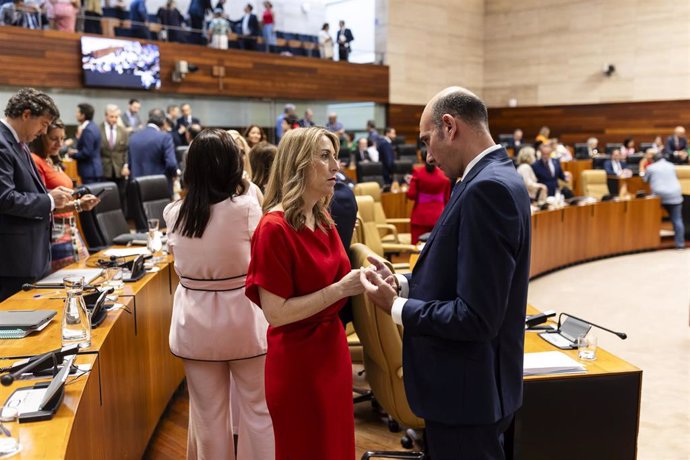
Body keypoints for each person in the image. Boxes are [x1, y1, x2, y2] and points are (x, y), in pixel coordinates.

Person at [360, 87, 531, 459]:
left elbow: (476, 317)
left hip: (466, 394)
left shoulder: (486, 189)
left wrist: (396, 307)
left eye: (427, 140)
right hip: (470, 390)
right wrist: (404, 284)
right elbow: (458, 270)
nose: (428, 155)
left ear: (449, 127)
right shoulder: (488, 177)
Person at [245, 127, 361, 460]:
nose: (335, 166)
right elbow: (276, 312)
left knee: (336, 448)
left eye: (335, 157)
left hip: (332, 353)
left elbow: (342, 278)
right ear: (298, 164)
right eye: (325, 157)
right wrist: (340, 289)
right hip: (298, 364)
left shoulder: (323, 217)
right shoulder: (273, 228)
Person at [164, 129, 274, 459]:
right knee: (259, 411)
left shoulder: (174, 213)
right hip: (245, 322)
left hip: (194, 325)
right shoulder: (247, 209)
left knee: (208, 416)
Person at [0, 88, 72, 301]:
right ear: (26, 114)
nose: (43, 132)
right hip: (14, 260)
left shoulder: (19, 144)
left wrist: (51, 195)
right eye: (43, 124)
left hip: (31, 256)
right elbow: (5, 199)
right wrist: (49, 200)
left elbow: (24, 192)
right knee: (14, 329)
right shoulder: (2, 144)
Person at [30, 119, 100, 271]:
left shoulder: (52, 160)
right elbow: (43, 204)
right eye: (54, 138)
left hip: (71, 229)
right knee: (69, 281)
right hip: (55, 232)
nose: (59, 143)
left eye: (62, 138)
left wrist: (79, 202)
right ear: (41, 137)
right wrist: (78, 205)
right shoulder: (36, 161)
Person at [128, 108, 179, 194]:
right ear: (163, 121)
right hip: (159, 187)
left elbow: (130, 164)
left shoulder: (133, 137)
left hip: (137, 187)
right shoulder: (165, 137)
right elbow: (171, 164)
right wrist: (174, 174)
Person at [406, 148, 451, 244]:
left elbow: (411, 195)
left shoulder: (417, 172)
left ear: (421, 158)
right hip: (439, 216)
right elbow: (447, 200)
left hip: (420, 217)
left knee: (417, 250)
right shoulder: (444, 175)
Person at [644, 153, 685, 249]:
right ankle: (680, 245)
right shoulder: (671, 166)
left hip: (659, 195)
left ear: (653, 160)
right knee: (677, 220)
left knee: (652, 219)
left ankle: (651, 243)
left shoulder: (651, 167)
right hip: (675, 194)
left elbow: (645, 180)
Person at [100, 104, 129, 208]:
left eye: (116, 117)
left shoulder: (123, 131)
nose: (114, 119)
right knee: (105, 197)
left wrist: (126, 166)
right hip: (104, 169)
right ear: (106, 115)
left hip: (119, 169)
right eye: (112, 117)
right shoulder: (99, 129)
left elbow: (125, 150)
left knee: (120, 196)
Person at [68, 103, 102, 184]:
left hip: (89, 171)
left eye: (77, 112)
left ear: (83, 115)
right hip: (94, 169)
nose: (76, 115)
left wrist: (73, 154)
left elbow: (87, 152)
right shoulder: (94, 127)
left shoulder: (88, 130)